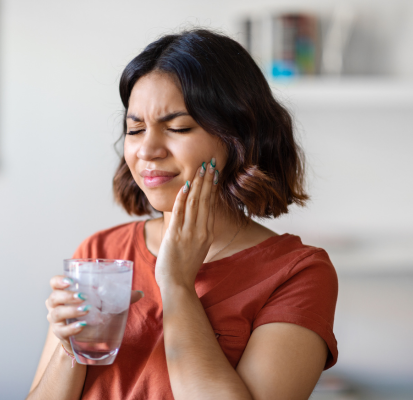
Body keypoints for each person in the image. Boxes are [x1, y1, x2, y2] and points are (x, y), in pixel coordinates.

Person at [27, 28, 338, 400]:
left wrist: (176, 284)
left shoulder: (297, 273)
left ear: (238, 137)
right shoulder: (99, 251)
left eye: (178, 127)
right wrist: (71, 349)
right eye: (135, 129)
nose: (148, 150)